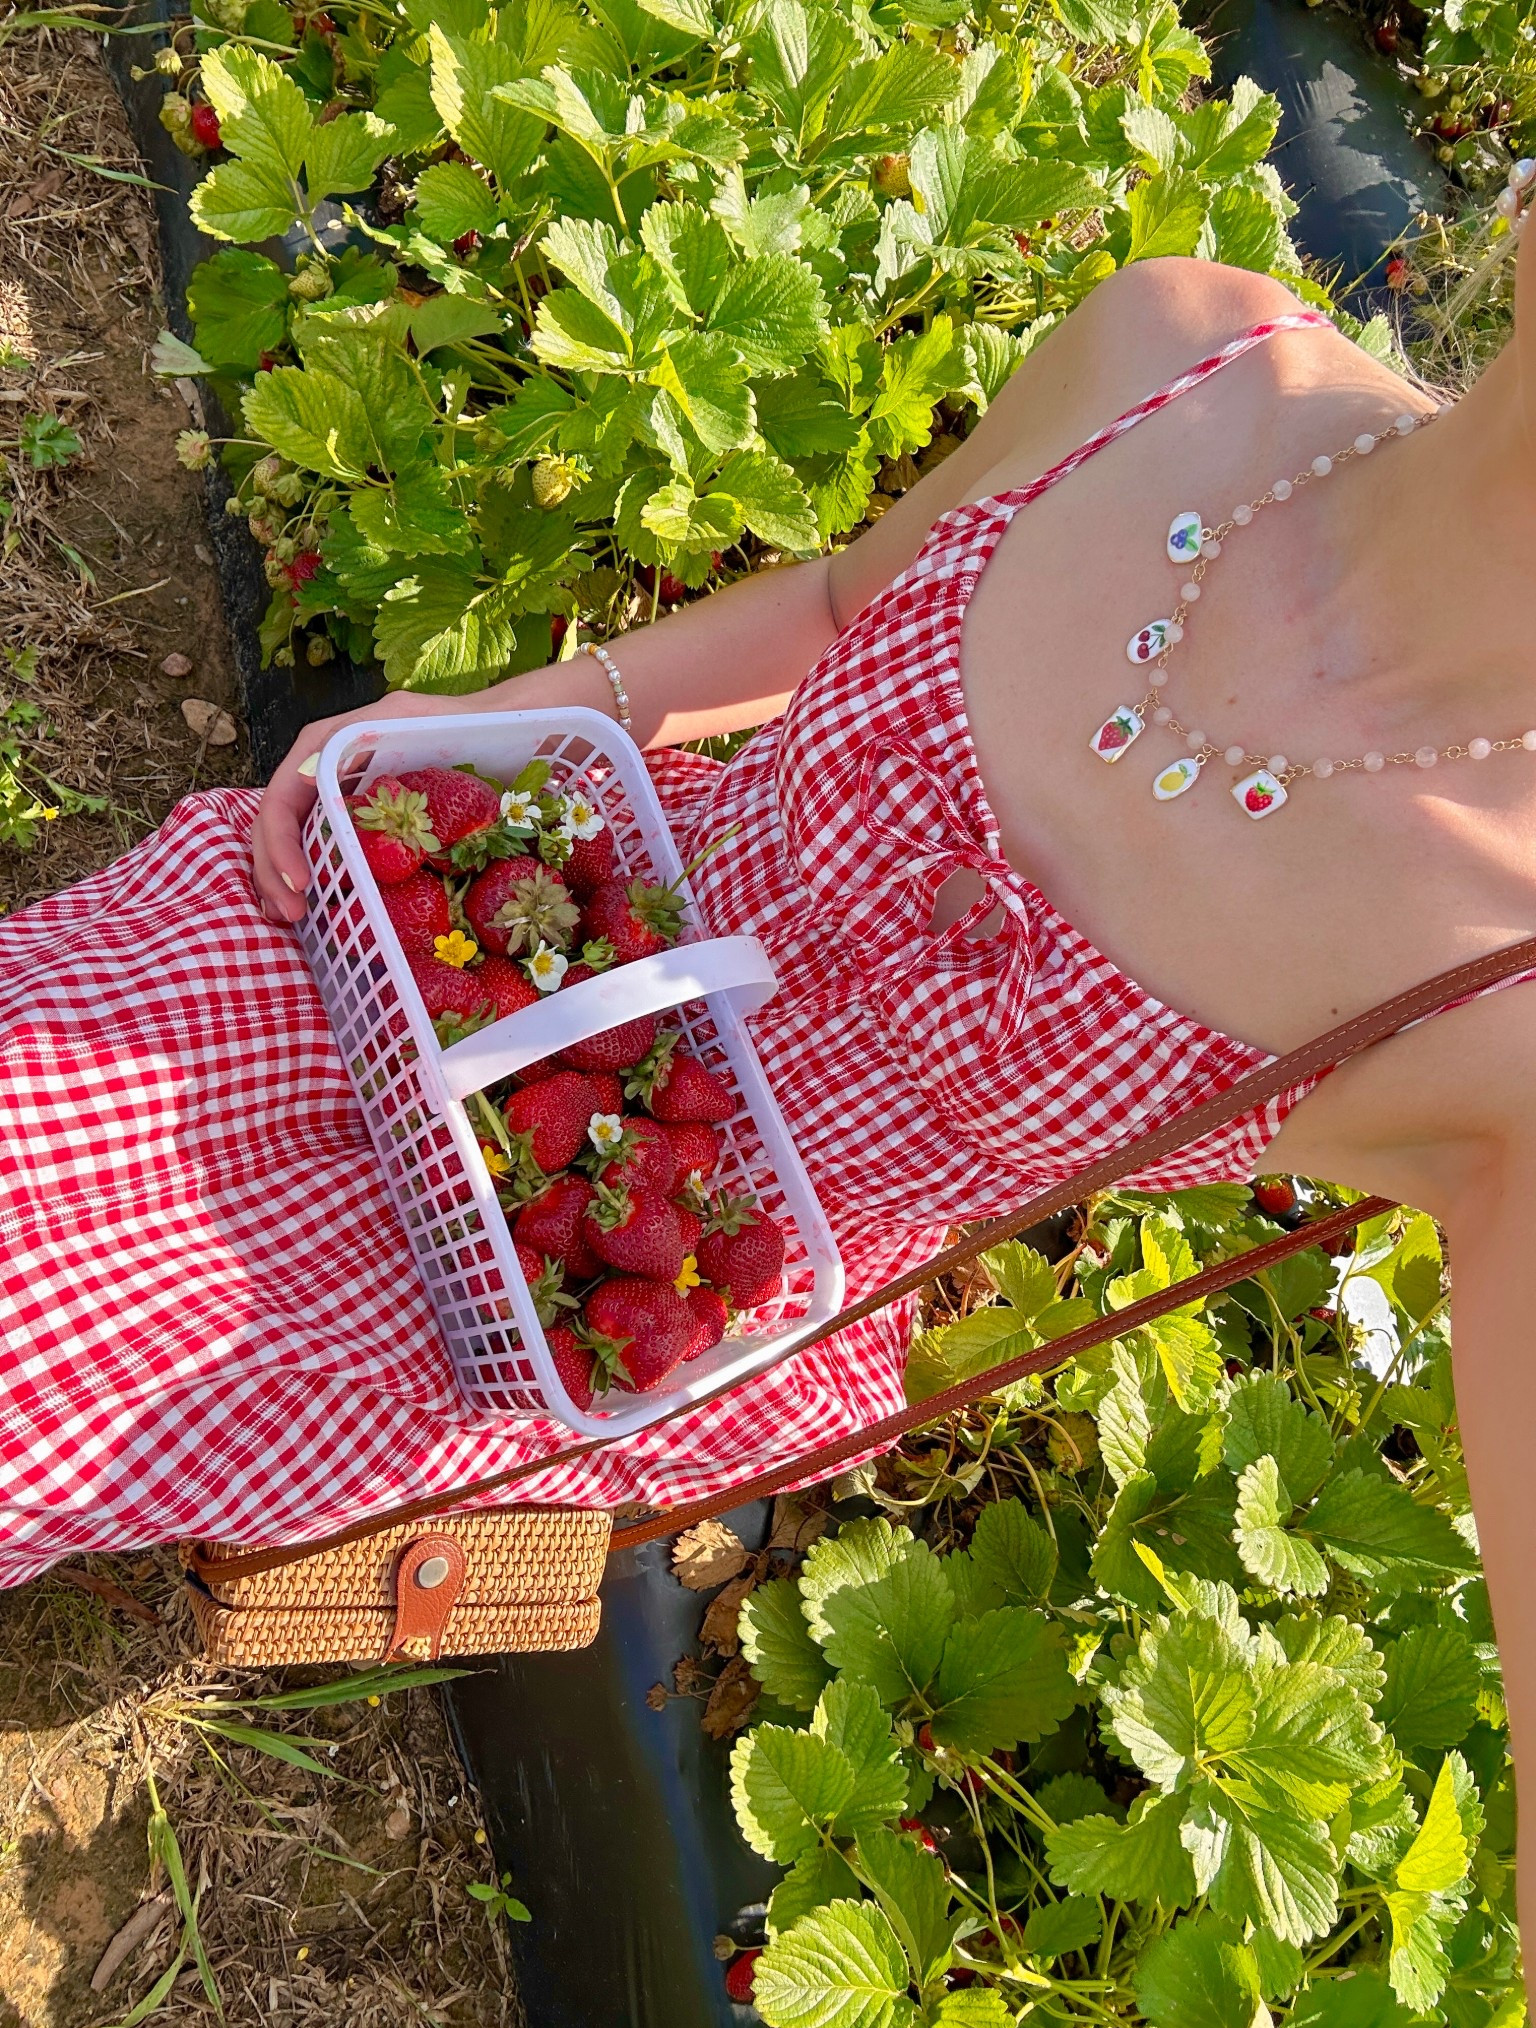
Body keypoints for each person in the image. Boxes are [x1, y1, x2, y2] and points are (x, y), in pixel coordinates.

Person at [5, 182, 1536, 1867]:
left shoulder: (1507, 1004)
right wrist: (497, 717)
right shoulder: (1189, 351)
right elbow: (826, 608)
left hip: (583, 1299)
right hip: (491, 915)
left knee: (44, 1361)